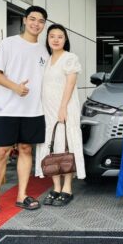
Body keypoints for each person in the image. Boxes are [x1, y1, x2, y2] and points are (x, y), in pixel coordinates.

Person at [0, 6, 49, 218]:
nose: (36, 24)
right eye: (33, 19)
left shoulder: (44, 51)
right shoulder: (8, 44)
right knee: (1, 152)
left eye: (41, 21)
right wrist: (15, 88)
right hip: (7, 108)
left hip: (33, 109)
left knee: (26, 149)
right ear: (25, 20)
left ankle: (22, 195)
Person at [35, 24, 85, 206]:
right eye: (52, 36)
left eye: (60, 37)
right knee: (51, 146)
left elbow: (70, 84)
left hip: (65, 108)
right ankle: (56, 187)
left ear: (65, 40)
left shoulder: (70, 58)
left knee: (66, 145)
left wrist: (63, 107)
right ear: (47, 39)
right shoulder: (46, 60)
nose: (55, 40)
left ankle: (67, 188)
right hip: (47, 110)